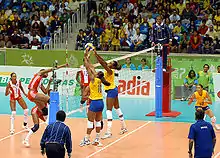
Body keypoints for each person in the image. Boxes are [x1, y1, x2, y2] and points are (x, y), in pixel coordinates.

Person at [93, 48, 127, 139]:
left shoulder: (110, 70)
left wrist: (96, 54)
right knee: (117, 108)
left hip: (111, 91)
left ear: (113, 66)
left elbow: (103, 63)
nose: (109, 63)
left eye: (111, 63)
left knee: (108, 110)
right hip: (114, 90)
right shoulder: (110, 71)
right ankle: (124, 127)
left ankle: (108, 132)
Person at [80, 48, 110, 147]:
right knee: (98, 121)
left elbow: (89, 67)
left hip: (94, 102)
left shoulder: (93, 79)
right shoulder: (99, 80)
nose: (94, 72)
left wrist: (85, 56)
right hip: (101, 103)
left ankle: (86, 139)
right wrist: (88, 57)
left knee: (90, 121)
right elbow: (91, 67)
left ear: (97, 75)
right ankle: (97, 139)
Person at [23, 78, 52, 147]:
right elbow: (41, 108)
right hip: (36, 111)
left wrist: (50, 82)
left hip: (43, 112)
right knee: (36, 126)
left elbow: (45, 91)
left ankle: (48, 140)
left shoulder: (49, 100)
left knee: (50, 125)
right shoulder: (44, 98)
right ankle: (26, 140)